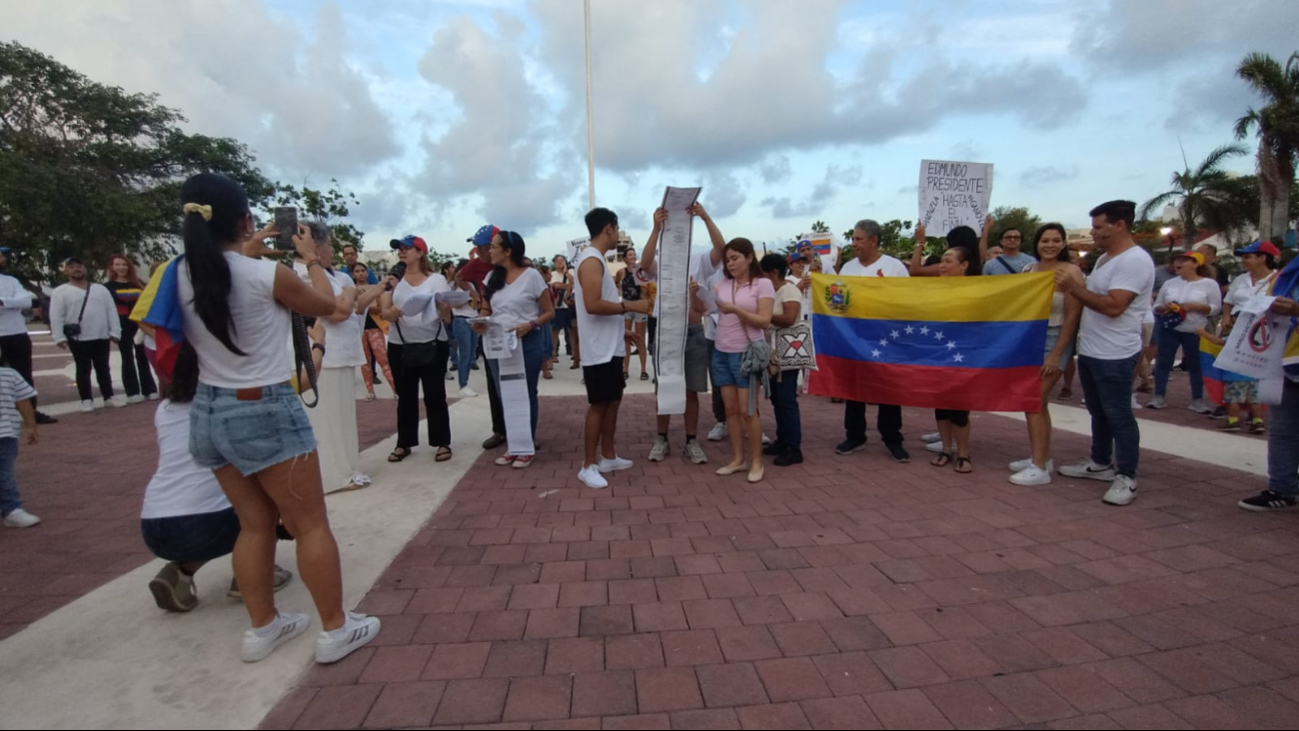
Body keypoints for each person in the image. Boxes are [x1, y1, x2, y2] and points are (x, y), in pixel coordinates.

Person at [174, 172, 379, 664]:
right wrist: (309, 260)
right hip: (263, 405)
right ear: (245, 220)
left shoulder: (180, 272)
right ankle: (335, 628)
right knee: (309, 524)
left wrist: (253, 241)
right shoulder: (266, 275)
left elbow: (228, 268)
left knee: (253, 524)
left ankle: (262, 627)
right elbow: (328, 306)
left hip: (209, 408)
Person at [143, 343, 294, 612]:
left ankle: (181, 572)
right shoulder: (228, 403)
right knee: (263, 504)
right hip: (199, 522)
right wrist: (317, 346)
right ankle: (255, 573)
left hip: (153, 522)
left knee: (221, 509)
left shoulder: (165, 409)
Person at [1054, 200, 1155, 507]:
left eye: (1099, 227)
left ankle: (1126, 476)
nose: (1094, 233)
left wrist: (1074, 288)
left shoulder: (1134, 261)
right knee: (1098, 411)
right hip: (1092, 349)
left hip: (1116, 352)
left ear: (1120, 225)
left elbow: (1113, 306)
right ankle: (1100, 462)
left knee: (1119, 414)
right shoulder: (1105, 259)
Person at [575, 208, 651, 489]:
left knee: (613, 400)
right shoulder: (591, 260)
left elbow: (599, 305)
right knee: (599, 405)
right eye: (617, 229)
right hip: (599, 351)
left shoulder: (595, 260)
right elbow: (593, 304)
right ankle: (587, 465)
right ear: (610, 228)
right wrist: (630, 306)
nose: (618, 234)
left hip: (610, 346)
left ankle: (608, 455)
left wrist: (623, 330)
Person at [644, 204, 722, 466]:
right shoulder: (662, 259)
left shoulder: (699, 258)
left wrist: (705, 217)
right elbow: (644, 264)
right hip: (666, 330)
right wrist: (655, 229)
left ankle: (690, 440)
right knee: (665, 387)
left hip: (693, 331)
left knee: (691, 390)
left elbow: (721, 250)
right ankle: (662, 437)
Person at [1009, 224, 1085, 486]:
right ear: (1037, 243)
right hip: (1030, 338)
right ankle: (1041, 456)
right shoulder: (1029, 269)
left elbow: (1072, 317)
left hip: (1055, 338)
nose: (1050, 245)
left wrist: (1056, 355)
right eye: (1045, 240)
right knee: (1035, 402)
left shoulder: (1071, 272)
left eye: (1055, 240)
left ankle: (1039, 467)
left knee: (1035, 399)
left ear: (1063, 243)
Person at [474, 232, 554, 469]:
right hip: (498, 342)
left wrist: (531, 325)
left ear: (508, 251)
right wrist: (480, 320)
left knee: (525, 392)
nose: (490, 251)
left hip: (527, 342)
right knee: (504, 394)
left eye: (494, 247)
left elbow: (549, 312)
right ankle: (514, 445)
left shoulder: (532, 276)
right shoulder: (491, 277)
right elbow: (486, 308)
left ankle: (525, 445)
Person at [697, 238, 773, 484]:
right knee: (730, 410)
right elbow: (702, 310)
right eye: (727, 260)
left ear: (749, 257)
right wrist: (695, 296)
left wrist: (735, 310)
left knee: (747, 410)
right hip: (721, 351)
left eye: (735, 258)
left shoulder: (762, 284)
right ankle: (738, 459)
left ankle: (757, 462)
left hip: (746, 353)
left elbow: (764, 320)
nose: (729, 263)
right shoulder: (721, 285)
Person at [300, 222, 370, 492]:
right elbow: (336, 310)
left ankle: (346, 468)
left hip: (340, 353)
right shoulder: (299, 274)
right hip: (320, 355)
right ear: (315, 246)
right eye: (328, 245)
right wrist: (349, 294)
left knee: (341, 417)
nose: (331, 251)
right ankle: (331, 475)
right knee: (325, 419)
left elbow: (345, 306)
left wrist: (348, 295)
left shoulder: (329, 275)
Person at [838, 220, 911, 463]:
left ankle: (893, 439)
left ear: (874, 240)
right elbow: (837, 301)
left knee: (888, 388)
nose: (854, 244)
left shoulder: (895, 267)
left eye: (859, 239)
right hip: (855, 337)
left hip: (885, 338)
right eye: (853, 239)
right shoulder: (847, 268)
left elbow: (905, 301)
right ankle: (855, 436)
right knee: (854, 387)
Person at [381, 235, 453, 464]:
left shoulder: (437, 280)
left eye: (407, 249)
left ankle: (442, 441)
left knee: (435, 395)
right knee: (405, 396)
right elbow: (384, 309)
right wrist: (389, 313)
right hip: (400, 344)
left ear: (421, 252)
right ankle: (404, 442)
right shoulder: (393, 280)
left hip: (432, 342)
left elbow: (447, 316)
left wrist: (443, 310)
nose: (402, 253)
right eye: (399, 249)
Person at [1237, 255, 1299, 511]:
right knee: (1283, 429)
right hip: (1287, 358)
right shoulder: (1289, 272)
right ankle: (1281, 488)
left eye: (1250, 256)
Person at [927, 246, 982, 474]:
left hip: (965, 354)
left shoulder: (979, 290)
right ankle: (946, 449)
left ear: (964, 265)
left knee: (959, 406)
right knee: (941, 404)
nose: (942, 265)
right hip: (939, 354)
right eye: (941, 260)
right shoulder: (932, 290)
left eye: (948, 261)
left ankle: (963, 452)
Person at [1148, 251, 1221, 413]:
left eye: (1183, 261)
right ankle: (1159, 396)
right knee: (1163, 362)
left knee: (1196, 365)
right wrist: (1165, 308)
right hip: (1169, 328)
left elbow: (1216, 309)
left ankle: (1197, 399)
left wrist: (1196, 307)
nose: (1177, 264)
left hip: (1195, 330)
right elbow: (1156, 305)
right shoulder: (1170, 284)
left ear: (1196, 264)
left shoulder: (1209, 284)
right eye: (1176, 260)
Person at [50, 257, 123, 413]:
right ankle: (86, 399)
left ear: (85, 268)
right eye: (72, 267)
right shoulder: (60, 292)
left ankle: (108, 396)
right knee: (83, 369)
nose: (76, 269)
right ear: (66, 271)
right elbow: (56, 316)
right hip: (78, 337)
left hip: (101, 335)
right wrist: (59, 337)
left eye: (79, 266)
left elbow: (111, 311)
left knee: (103, 368)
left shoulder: (100, 289)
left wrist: (115, 331)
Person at [458, 226, 507, 449]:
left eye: (483, 246)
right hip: (490, 329)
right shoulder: (475, 265)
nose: (478, 250)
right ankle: (499, 430)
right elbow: (459, 278)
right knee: (493, 382)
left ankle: (524, 430)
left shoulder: (516, 262)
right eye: (477, 247)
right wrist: (475, 295)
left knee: (519, 383)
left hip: (516, 329)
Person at [0, 247, 56, 425]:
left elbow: (25, 301)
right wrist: (11, 303)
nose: (3, 259)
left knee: (24, 373)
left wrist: (3, 301)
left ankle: (31, 410)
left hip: (17, 333)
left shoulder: (11, 281)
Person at [760, 253, 804, 466]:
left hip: (787, 350)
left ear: (773, 273)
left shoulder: (789, 289)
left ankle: (793, 447)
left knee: (786, 399)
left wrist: (764, 315)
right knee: (777, 399)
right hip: (773, 351)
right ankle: (782, 439)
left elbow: (789, 318)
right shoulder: (775, 291)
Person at [103, 254, 160, 404]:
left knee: (143, 355)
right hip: (121, 323)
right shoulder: (107, 287)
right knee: (127, 356)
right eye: (117, 264)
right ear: (112, 267)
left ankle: (150, 389)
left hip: (140, 323)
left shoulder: (138, 284)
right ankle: (132, 391)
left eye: (124, 264)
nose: (121, 267)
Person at [0, 357, 39, 528]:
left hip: (5, 434)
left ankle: (12, 509)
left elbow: (23, 400)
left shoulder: (9, 375)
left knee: (4, 473)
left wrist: (31, 425)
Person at [351, 262, 397, 401]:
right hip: (359, 329)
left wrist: (365, 306)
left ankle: (395, 389)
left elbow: (381, 308)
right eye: (357, 271)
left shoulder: (376, 288)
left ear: (367, 272)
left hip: (374, 327)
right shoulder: (350, 289)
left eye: (363, 270)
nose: (360, 273)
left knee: (382, 359)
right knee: (364, 362)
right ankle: (370, 391)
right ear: (353, 273)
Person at [1223, 241, 1281, 328]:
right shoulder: (1240, 279)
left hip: (1263, 330)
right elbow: (1228, 303)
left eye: (1247, 257)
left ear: (1262, 258)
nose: (1242, 261)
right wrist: (1226, 316)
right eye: (1242, 258)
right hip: (1235, 328)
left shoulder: (1279, 279)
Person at [616, 248, 653, 381]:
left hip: (639, 305)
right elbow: (616, 283)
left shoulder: (640, 272)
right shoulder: (621, 272)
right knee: (626, 338)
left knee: (640, 338)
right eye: (630, 255)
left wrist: (644, 304)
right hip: (626, 305)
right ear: (625, 258)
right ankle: (625, 369)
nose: (632, 257)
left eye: (634, 254)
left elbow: (646, 288)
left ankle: (643, 369)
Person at [449, 258, 482, 397]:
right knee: (465, 353)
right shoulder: (455, 285)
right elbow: (453, 304)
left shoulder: (470, 284)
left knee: (471, 354)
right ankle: (463, 384)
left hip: (473, 319)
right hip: (462, 320)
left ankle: (465, 381)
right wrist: (468, 298)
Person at [551, 254, 579, 367]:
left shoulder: (571, 272)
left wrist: (567, 273)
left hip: (570, 306)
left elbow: (575, 283)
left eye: (562, 260)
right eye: (557, 261)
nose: (560, 263)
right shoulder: (553, 274)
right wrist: (568, 286)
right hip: (558, 306)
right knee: (555, 331)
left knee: (572, 330)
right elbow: (555, 285)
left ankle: (575, 353)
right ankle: (553, 353)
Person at [441, 261, 460, 379]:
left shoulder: (457, 283)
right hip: (444, 315)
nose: (455, 268)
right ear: (446, 270)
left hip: (454, 315)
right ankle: (445, 367)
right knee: (445, 342)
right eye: (452, 267)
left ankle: (455, 361)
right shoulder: (441, 283)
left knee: (453, 340)